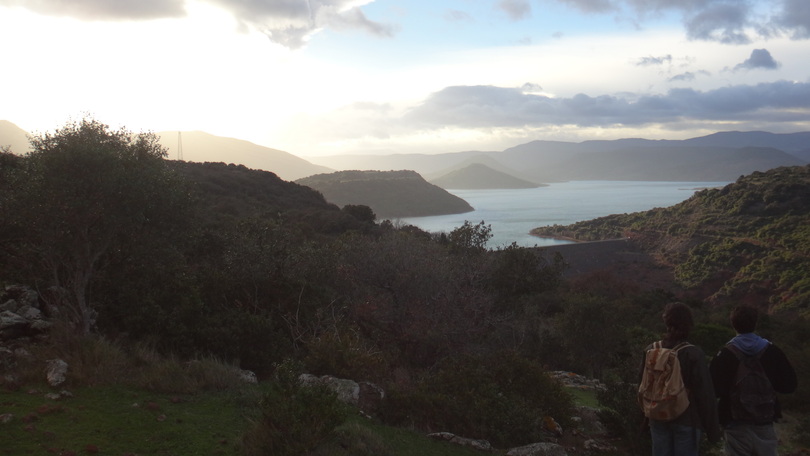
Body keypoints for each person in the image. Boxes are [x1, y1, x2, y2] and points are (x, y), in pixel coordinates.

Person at [709, 305, 797, 456]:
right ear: (755, 323)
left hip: (735, 424)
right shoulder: (772, 352)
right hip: (764, 422)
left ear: (733, 324)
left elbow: (713, 390)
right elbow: (789, 385)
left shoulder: (725, 354)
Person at [641, 302, 722, 456]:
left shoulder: (651, 350)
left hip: (657, 417)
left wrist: (644, 417)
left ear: (666, 322)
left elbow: (643, 385)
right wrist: (713, 432)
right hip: (687, 420)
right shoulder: (693, 354)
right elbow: (705, 395)